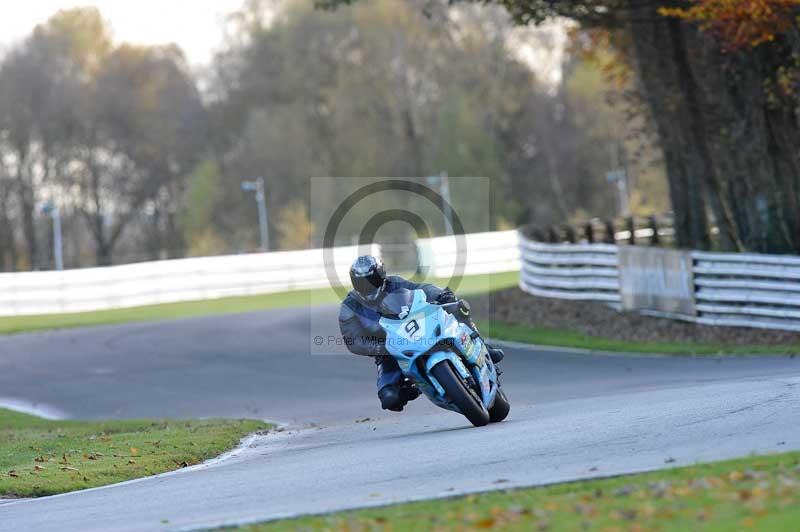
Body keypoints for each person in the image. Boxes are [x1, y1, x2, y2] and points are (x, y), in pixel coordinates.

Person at [338, 255, 504, 412]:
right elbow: (354, 341)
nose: (367, 286)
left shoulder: (394, 283)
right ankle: (415, 386)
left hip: (420, 327)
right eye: (361, 283)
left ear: (381, 276)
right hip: (390, 351)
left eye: (372, 279)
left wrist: (441, 295)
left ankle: (484, 347)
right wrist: (382, 347)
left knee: (455, 307)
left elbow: (421, 289)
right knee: (389, 398)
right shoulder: (350, 306)